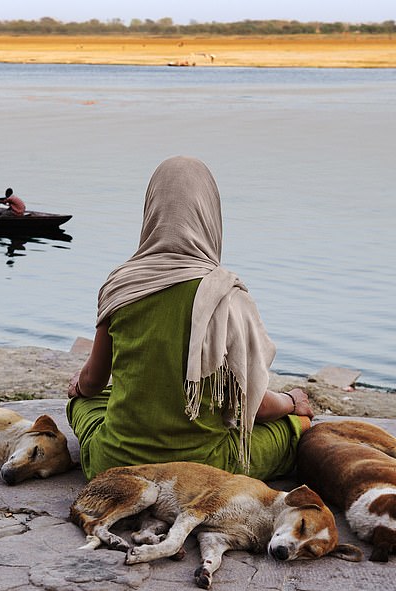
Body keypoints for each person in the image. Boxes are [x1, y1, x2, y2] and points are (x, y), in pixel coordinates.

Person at [67, 156, 313, 482]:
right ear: (210, 214)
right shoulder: (226, 295)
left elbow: (93, 381)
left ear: (151, 211)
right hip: (205, 469)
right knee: (295, 429)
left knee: (82, 404)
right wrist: (291, 401)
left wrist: (79, 387)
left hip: (115, 463)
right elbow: (256, 407)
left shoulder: (121, 284)